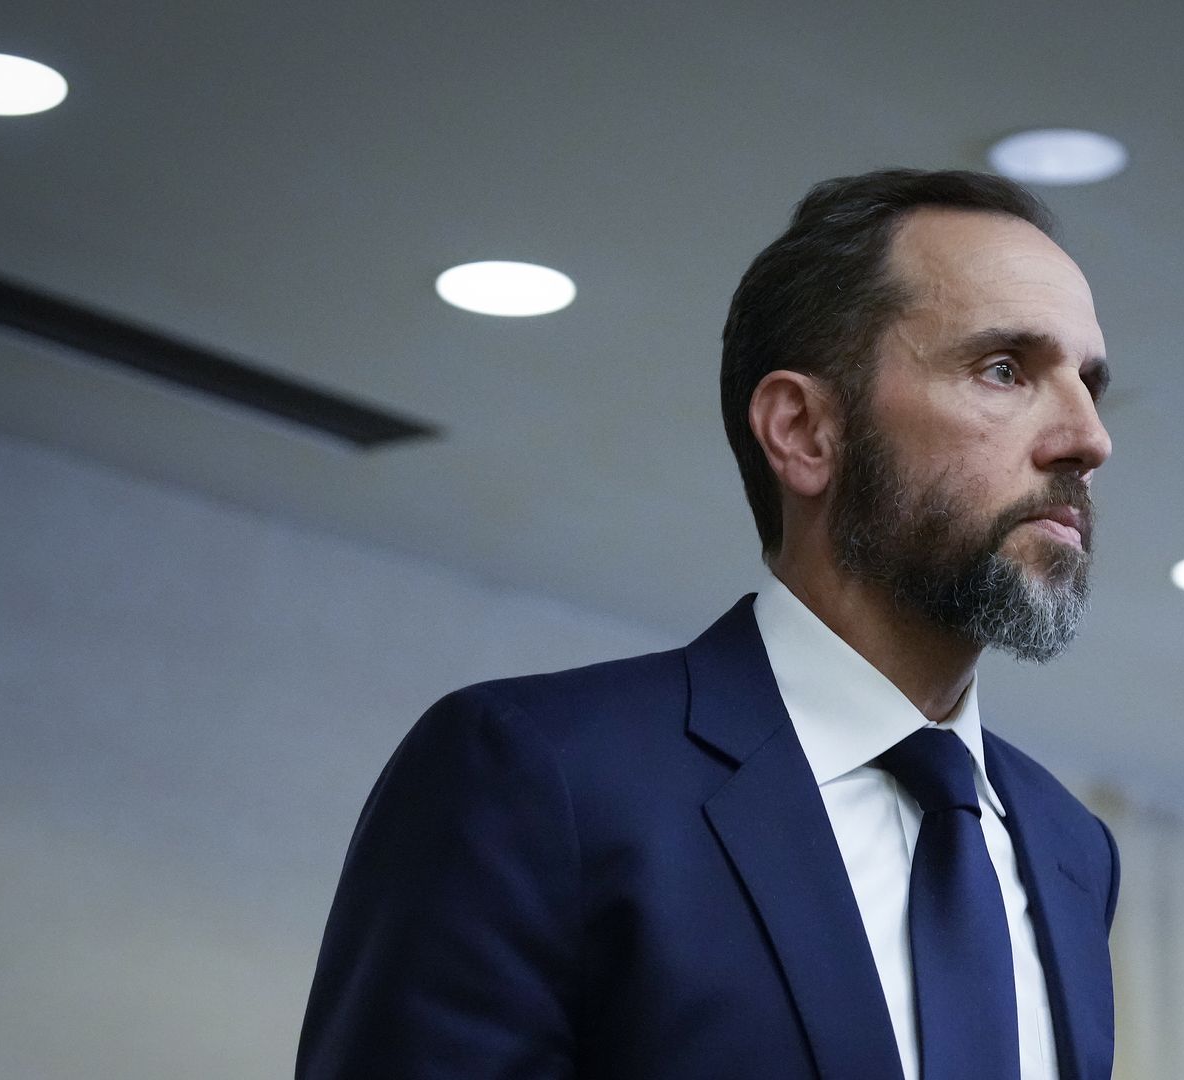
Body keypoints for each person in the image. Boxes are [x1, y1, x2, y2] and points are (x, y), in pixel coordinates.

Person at [296, 168, 1119, 1080]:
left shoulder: (1072, 850)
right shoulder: (538, 776)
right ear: (804, 431)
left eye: (1089, 384)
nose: (1089, 439)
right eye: (1005, 369)